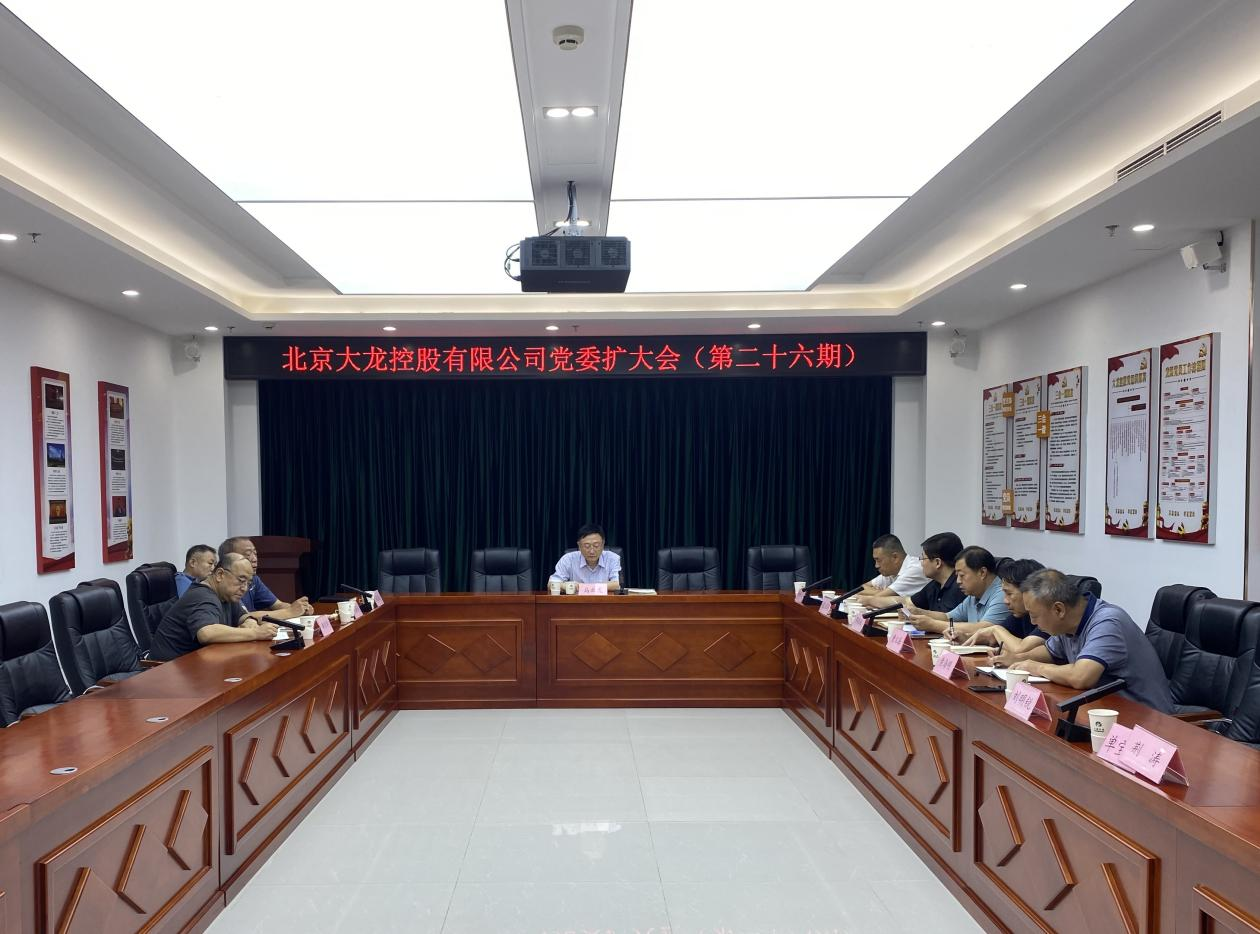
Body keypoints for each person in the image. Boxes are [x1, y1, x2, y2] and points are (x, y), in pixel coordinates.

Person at [997, 569, 1174, 714]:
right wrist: (1016, 659)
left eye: (1034, 615)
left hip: (1146, 720)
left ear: (1058, 610)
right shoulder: (1068, 624)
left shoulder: (1108, 622)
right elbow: (1049, 653)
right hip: (1106, 710)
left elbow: (1081, 677)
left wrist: (1035, 667)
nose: (1032, 622)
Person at [149, 553, 279, 661]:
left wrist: (250, 621)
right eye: (241, 580)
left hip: (195, 664)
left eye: (248, 583)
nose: (244, 588)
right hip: (167, 669)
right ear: (220, 575)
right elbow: (207, 633)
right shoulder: (203, 596)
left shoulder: (226, 594)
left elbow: (241, 616)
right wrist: (256, 633)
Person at [907, 545, 1010, 638]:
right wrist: (918, 612)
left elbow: (985, 629)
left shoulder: (1003, 594)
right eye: (957, 576)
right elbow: (948, 617)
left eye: (962, 575)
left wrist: (933, 625)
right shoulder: (974, 595)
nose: (958, 581)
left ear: (982, 572)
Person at [964, 558, 1047, 655]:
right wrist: (966, 637)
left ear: (1028, 591)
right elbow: (993, 637)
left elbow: (1021, 649)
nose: (1005, 601)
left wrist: (995, 629)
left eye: (1009, 594)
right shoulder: (1021, 614)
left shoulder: (1047, 616)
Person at [219, 536, 313, 619]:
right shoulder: (228, 584)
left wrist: (300, 609)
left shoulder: (254, 579)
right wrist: (290, 612)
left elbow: (277, 604)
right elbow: (245, 616)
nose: (254, 559)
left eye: (255, 554)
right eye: (247, 555)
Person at [855, 534, 929, 608]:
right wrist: (881, 592)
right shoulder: (891, 571)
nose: (876, 566)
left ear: (895, 557)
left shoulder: (914, 569)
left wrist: (878, 594)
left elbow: (874, 599)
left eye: (879, 560)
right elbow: (861, 588)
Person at [904, 532, 965, 613]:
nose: (921, 564)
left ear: (937, 563)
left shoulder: (961, 587)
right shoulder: (934, 585)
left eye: (923, 559)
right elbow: (909, 602)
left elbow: (948, 618)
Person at [550, 523, 622, 591]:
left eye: (596, 546)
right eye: (587, 546)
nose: (592, 551)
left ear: (603, 544)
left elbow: (616, 584)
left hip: (604, 600)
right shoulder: (568, 559)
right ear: (579, 545)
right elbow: (551, 584)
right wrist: (564, 586)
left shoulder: (612, 558)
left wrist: (583, 587)